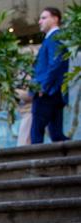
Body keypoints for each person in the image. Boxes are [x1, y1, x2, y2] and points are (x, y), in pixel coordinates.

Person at [31, 7, 69, 144]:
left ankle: (36, 165)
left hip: (47, 93)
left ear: (55, 19)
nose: (40, 21)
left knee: (36, 133)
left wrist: (43, 87)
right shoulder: (54, 38)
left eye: (44, 18)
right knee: (57, 135)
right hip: (55, 93)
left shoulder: (54, 38)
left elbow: (56, 63)